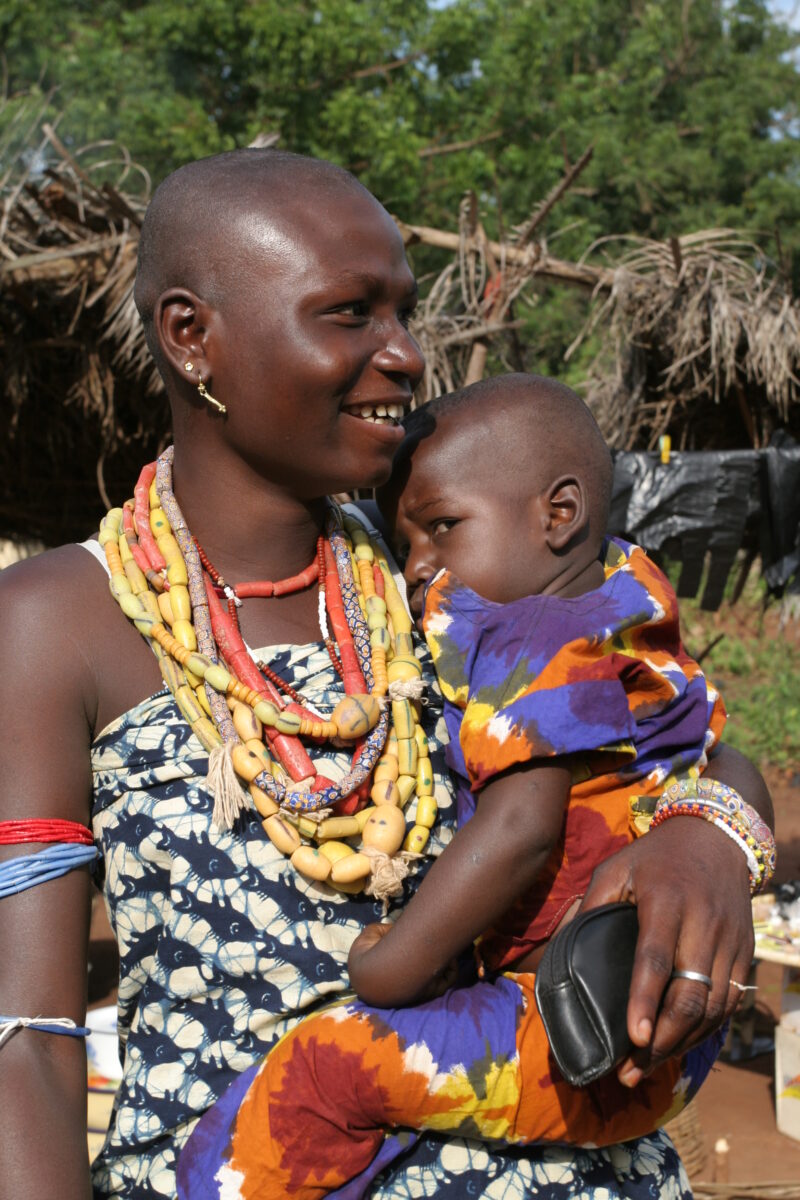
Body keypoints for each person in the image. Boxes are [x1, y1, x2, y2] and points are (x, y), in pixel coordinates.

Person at [0, 149, 772, 1200]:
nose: (405, 354)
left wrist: (707, 837)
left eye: (403, 311)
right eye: (349, 314)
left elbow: (690, 739)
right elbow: (31, 1039)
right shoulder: (58, 623)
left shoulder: (449, 572)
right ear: (192, 338)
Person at [177, 374, 773, 1199]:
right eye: (405, 544)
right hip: (659, 1017)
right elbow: (716, 754)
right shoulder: (630, 604)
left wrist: (399, 965)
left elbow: (523, 825)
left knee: (325, 1069)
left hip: (573, 1031)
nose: (421, 567)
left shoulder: (522, 633)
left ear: (557, 516)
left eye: (442, 528)